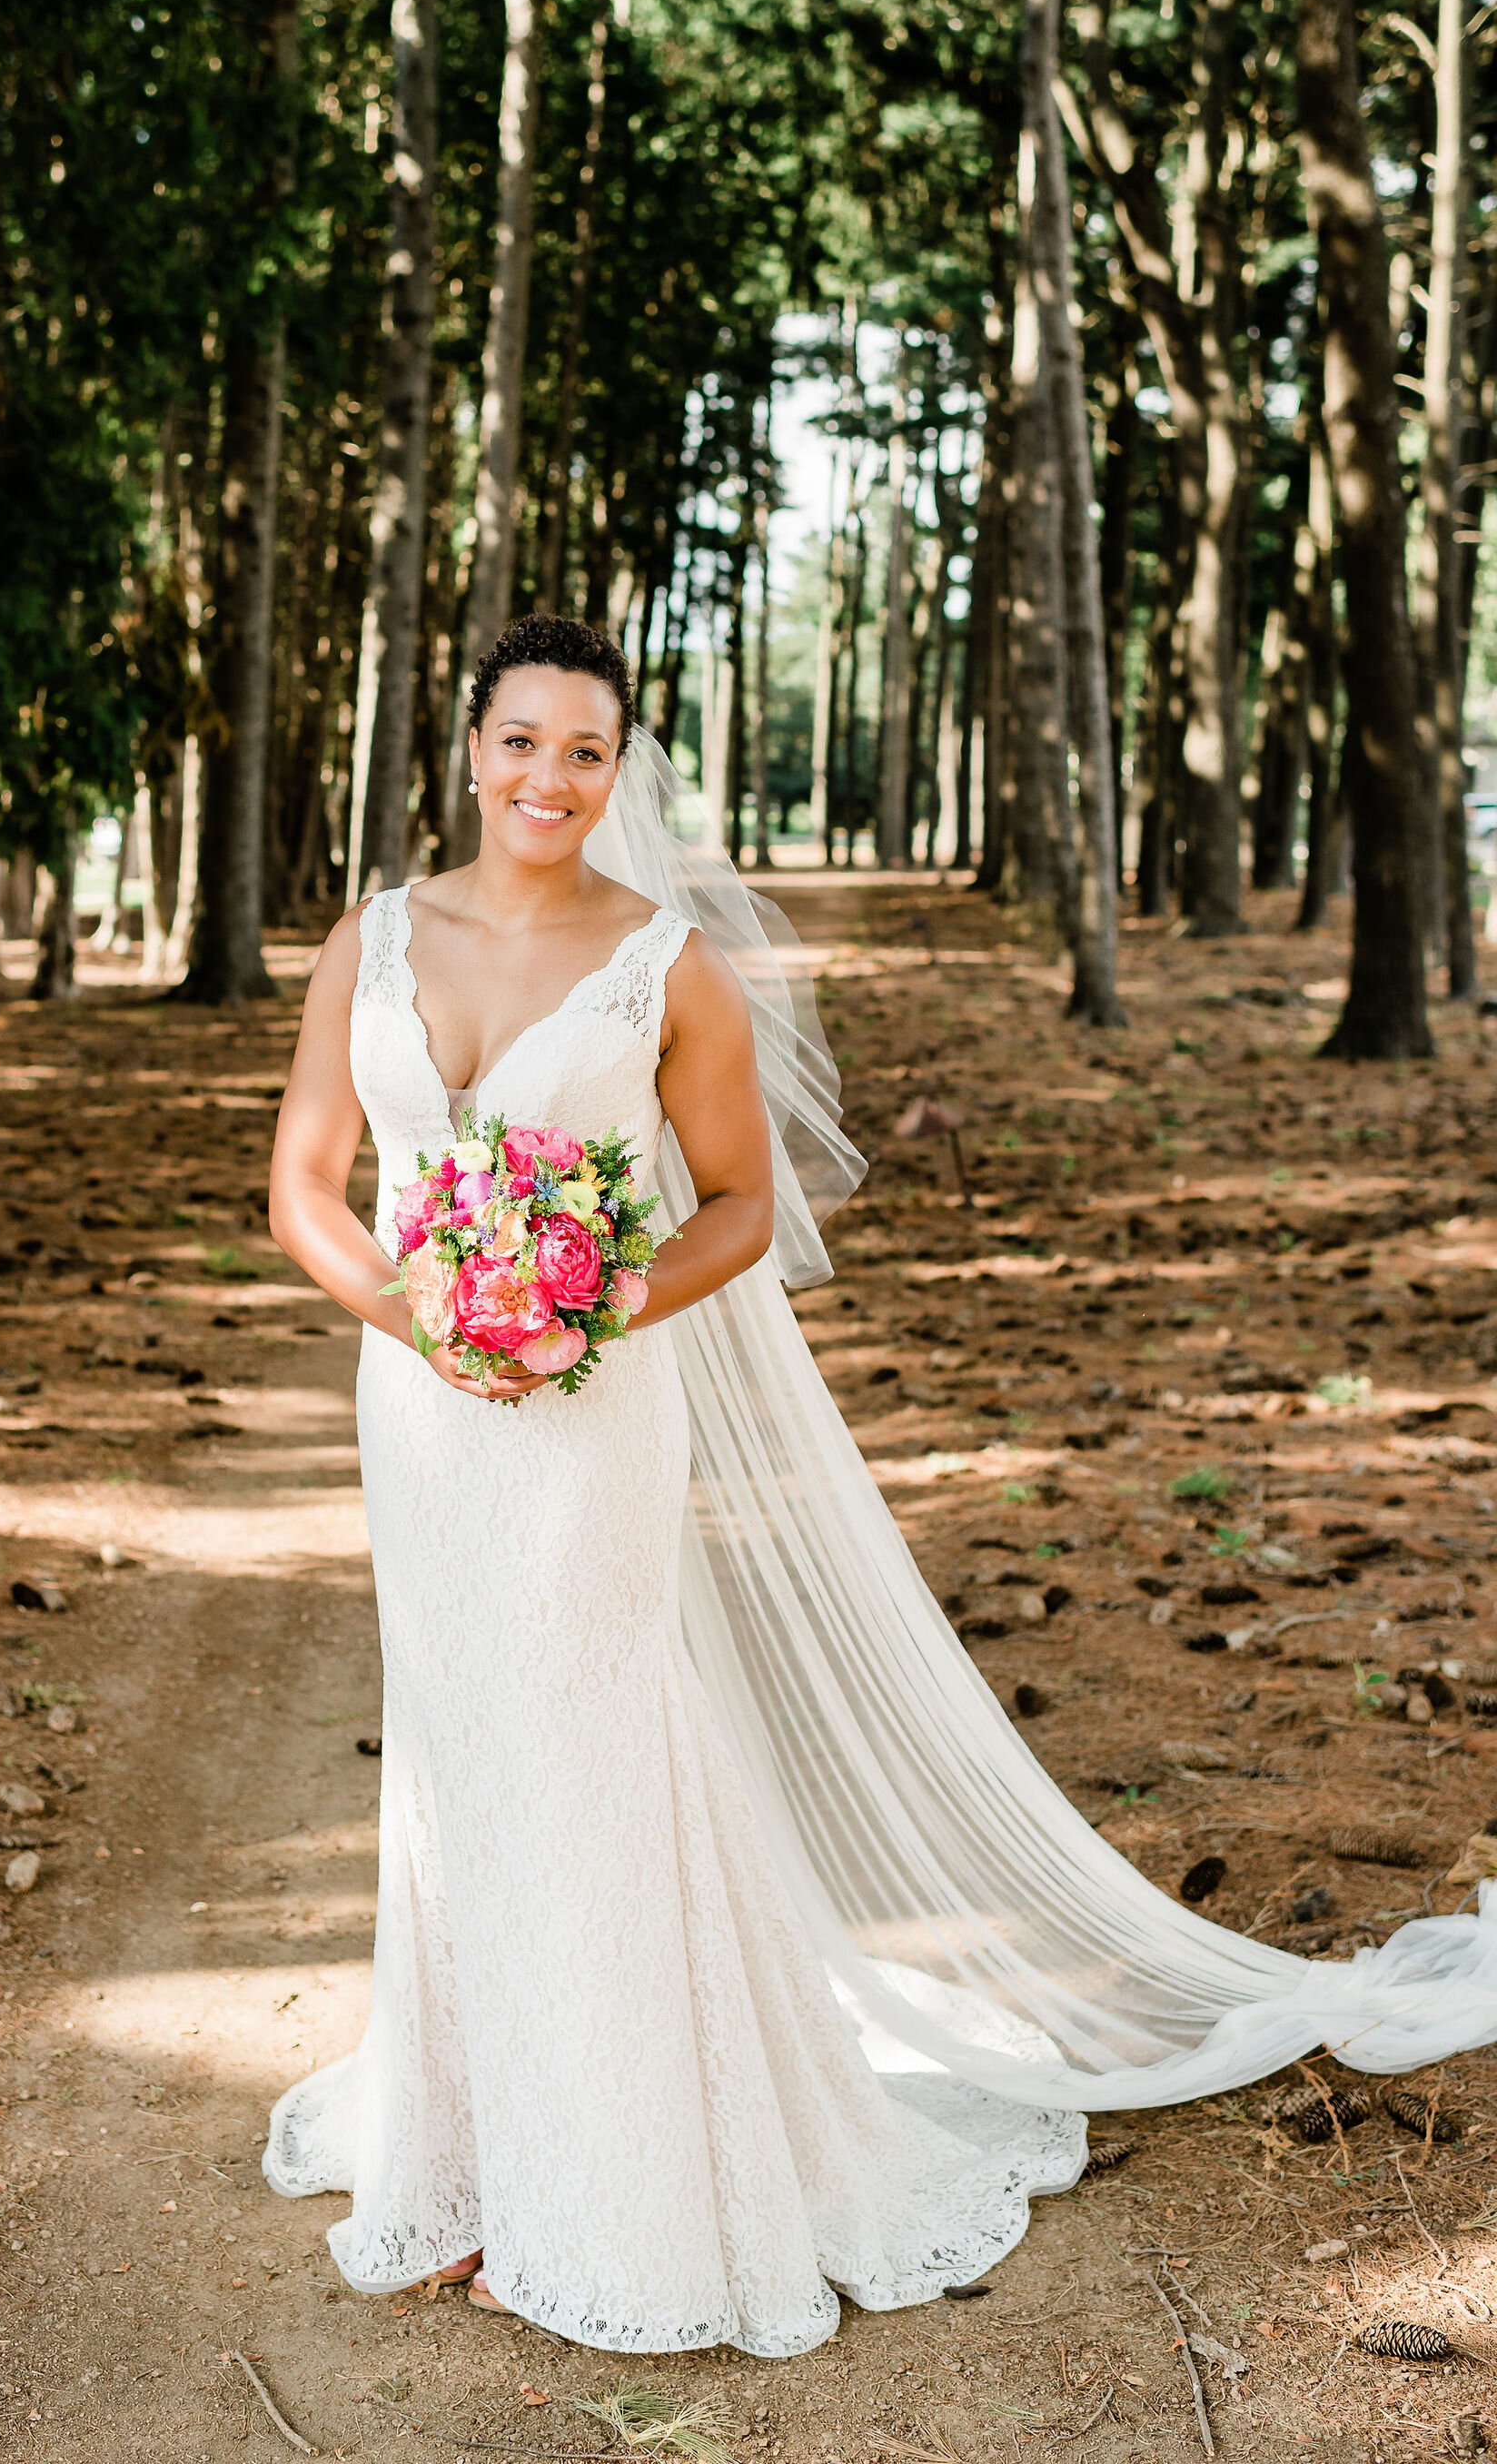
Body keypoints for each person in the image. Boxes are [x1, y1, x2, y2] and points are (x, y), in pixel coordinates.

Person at [262, 617, 1497, 2358]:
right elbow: (308, 1185)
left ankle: (623, 2165)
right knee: (465, 1756)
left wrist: (574, 1310)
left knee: (595, 1745)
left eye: (587, 752)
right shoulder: (373, 939)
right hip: (425, 1413)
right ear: (469, 748)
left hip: (588, 1410)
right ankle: (473, 2139)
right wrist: (426, 1315)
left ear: (622, 775)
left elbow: (741, 1213)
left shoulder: (665, 964)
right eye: (523, 741)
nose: (551, 778)